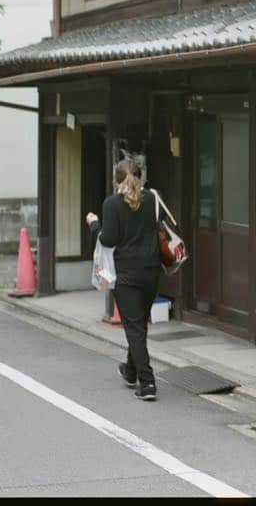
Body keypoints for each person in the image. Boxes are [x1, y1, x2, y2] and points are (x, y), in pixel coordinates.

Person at [85, 157, 165, 402]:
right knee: (138, 323)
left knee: (133, 327)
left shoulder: (111, 204)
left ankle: (148, 382)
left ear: (116, 180)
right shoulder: (151, 199)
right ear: (140, 177)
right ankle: (130, 371)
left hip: (127, 274)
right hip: (151, 270)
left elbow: (108, 239)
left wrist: (94, 224)